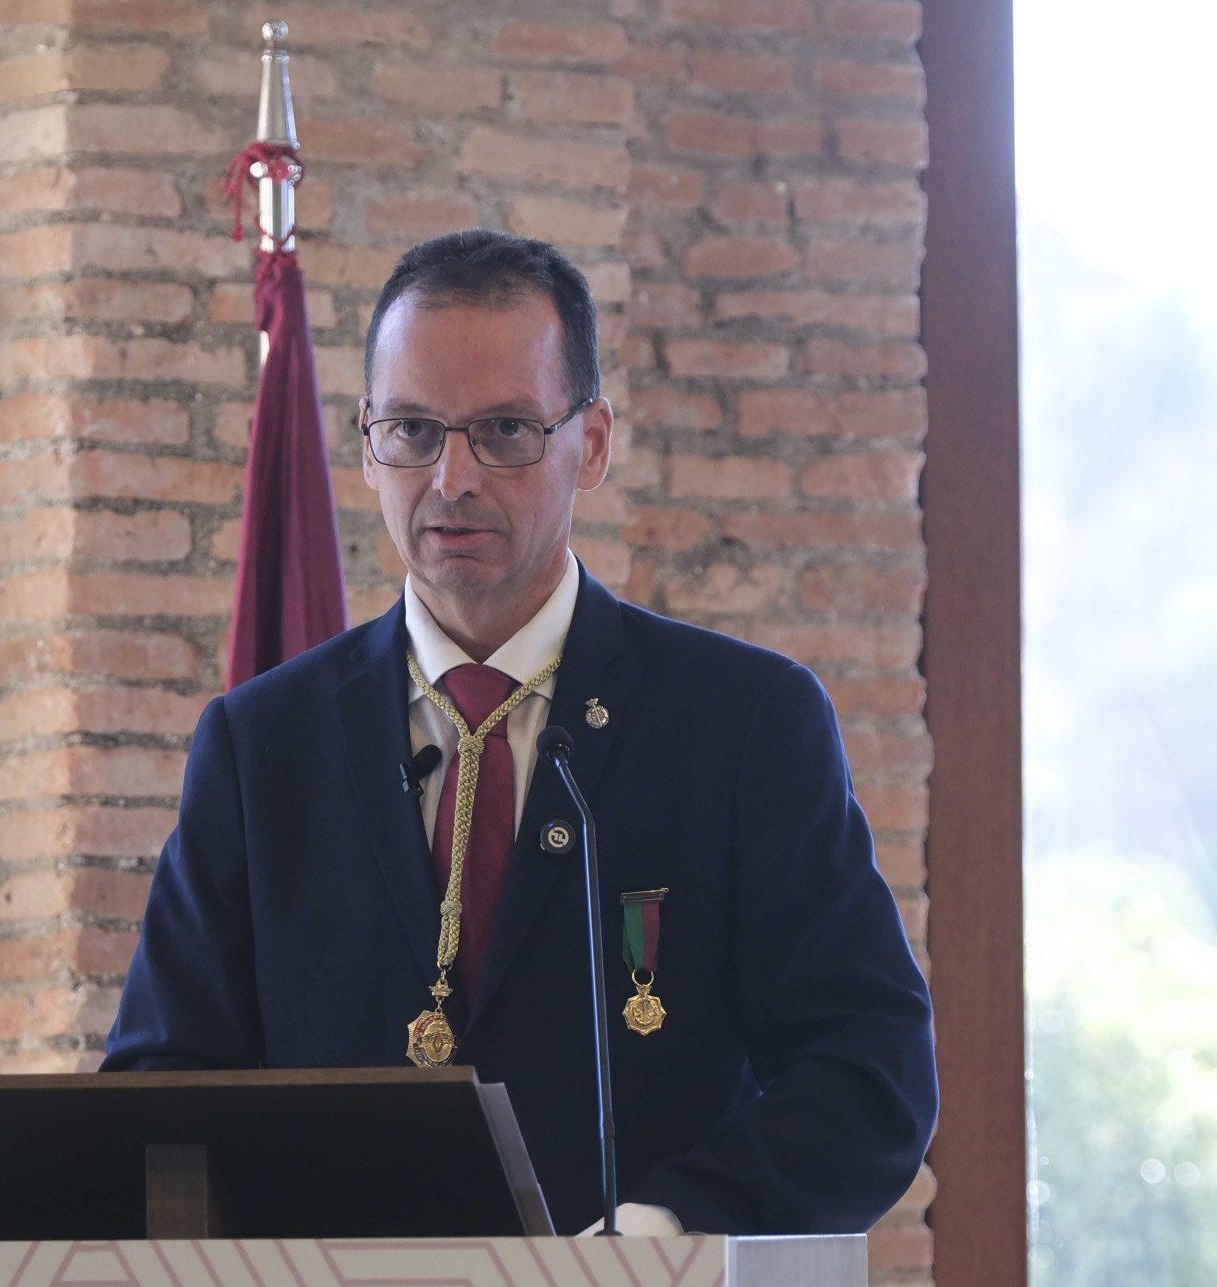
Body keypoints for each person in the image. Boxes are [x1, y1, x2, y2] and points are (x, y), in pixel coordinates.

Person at [102, 229, 937, 1236]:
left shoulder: (743, 725)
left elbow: (869, 1080)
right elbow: (158, 1092)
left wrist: (667, 1231)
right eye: (412, 430)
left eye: (504, 431)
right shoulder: (262, 746)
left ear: (593, 443)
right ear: (365, 443)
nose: (451, 477)